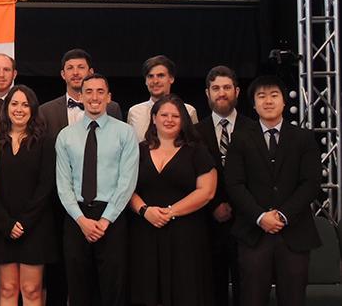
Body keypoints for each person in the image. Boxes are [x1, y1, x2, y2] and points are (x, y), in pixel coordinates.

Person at [225, 75, 322, 306]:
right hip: (253, 233)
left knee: (293, 299)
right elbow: (234, 184)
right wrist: (260, 216)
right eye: (262, 96)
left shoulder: (304, 137)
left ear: (284, 102)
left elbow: (311, 183)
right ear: (254, 104)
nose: (268, 101)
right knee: (252, 298)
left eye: (274, 95)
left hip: (295, 233)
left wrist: (282, 215)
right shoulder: (239, 139)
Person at [38, 48, 121, 305]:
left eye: (81, 67)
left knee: (107, 277)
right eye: (70, 68)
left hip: (105, 205)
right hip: (58, 202)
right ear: (63, 74)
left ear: (91, 73)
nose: (76, 72)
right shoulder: (45, 110)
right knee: (65, 273)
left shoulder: (114, 109)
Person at [55, 74, 139, 306]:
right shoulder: (65, 136)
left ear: (109, 97)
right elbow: (63, 185)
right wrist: (82, 220)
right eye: (89, 91)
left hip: (112, 218)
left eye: (100, 91)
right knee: (79, 289)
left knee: (114, 290)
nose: (94, 97)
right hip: (76, 218)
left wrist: (105, 220)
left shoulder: (125, 133)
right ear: (80, 96)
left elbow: (127, 181)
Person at [128, 94, 217, 306]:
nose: (169, 119)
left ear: (183, 120)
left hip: (185, 235)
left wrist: (170, 211)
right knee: (145, 290)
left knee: (184, 290)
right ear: (154, 118)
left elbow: (207, 191)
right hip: (144, 232)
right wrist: (145, 210)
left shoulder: (197, 151)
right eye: (164, 115)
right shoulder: (137, 150)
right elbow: (125, 188)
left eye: (175, 116)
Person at [0, 85, 58, 306]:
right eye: (14, 104)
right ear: (6, 108)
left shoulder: (46, 142)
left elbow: (46, 187)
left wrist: (24, 222)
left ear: (33, 109)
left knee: (32, 289)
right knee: (7, 288)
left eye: (25, 104)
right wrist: (6, 223)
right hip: (2, 226)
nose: (19, 109)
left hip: (35, 226)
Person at [194, 65, 252, 306]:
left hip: (247, 223)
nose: (221, 93)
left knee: (247, 291)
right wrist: (214, 205)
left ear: (236, 91)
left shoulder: (254, 129)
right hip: (208, 225)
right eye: (215, 88)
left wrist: (238, 206)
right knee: (212, 291)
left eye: (226, 87)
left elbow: (259, 177)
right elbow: (191, 178)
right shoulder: (195, 133)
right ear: (207, 93)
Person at [127, 55, 199, 141]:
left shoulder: (188, 111)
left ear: (171, 78)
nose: (155, 81)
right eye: (150, 76)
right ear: (145, 81)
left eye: (160, 75)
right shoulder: (134, 112)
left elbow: (194, 145)